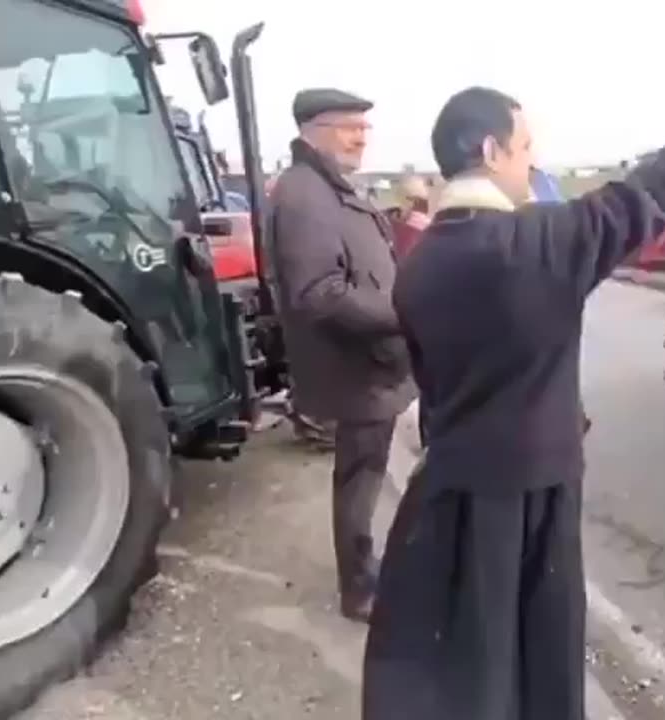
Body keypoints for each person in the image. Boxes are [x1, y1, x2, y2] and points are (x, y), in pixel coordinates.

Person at [362, 29, 665, 720]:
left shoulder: (418, 266)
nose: (532, 164)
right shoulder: (541, 244)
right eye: (526, 148)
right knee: (532, 665)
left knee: (465, 664)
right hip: (531, 499)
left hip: (447, 491)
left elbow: (435, 388)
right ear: (490, 150)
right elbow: (664, 186)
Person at [265, 87, 416, 622]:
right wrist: (405, 315)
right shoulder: (304, 194)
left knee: (366, 473)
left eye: (366, 128)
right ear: (316, 129)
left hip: (373, 362)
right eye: (352, 127)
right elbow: (319, 292)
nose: (362, 138)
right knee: (359, 478)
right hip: (358, 367)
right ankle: (359, 589)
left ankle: (366, 570)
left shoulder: (329, 186)